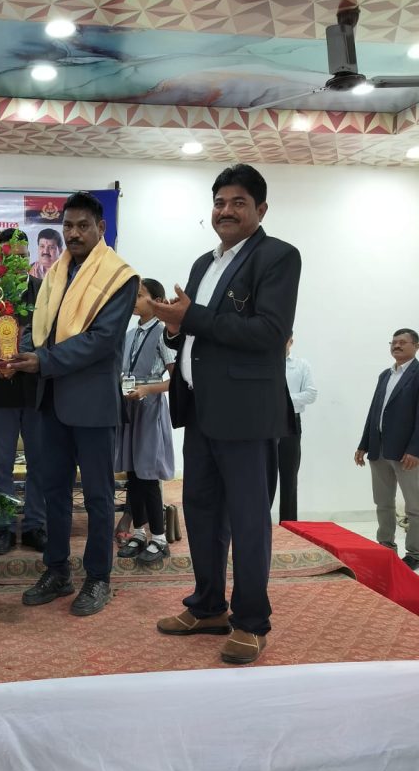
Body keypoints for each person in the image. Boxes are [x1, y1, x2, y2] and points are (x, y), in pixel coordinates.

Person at [152, 164, 301, 665]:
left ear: (261, 209)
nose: (226, 211)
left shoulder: (278, 256)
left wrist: (190, 317)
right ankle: (208, 606)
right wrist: (174, 328)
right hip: (202, 411)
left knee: (248, 520)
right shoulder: (203, 263)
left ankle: (252, 622)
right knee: (201, 511)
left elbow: (268, 332)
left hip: (247, 415)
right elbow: (199, 333)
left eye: (238, 202)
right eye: (219, 202)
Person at [8, 191, 137, 616]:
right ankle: (57, 570)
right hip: (50, 400)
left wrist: (41, 361)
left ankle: (98, 577)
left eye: (83, 226)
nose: (74, 233)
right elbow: (39, 329)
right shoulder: (56, 273)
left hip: (92, 404)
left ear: (101, 228)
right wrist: (19, 355)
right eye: (68, 226)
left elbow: (102, 341)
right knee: (54, 492)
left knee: (98, 497)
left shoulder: (120, 278)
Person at [0, 228, 46, 556]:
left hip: (36, 390)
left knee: (40, 462)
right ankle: (4, 527)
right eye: (11, 256)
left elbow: (53, 337)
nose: (19, 262)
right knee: (1, 464)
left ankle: (35, 525)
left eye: (23, 255)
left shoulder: (44, 291)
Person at [115, 279, 176, 563]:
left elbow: (176, 380)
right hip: (130, 408)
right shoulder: (129, 334)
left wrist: (147, 390)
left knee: (148, 475)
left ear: (157, 301)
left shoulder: (164, 334)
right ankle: (139, 532)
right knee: (133, 475)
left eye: (139, 296)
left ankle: (159, 538)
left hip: (149, 408)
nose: (134, 301)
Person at [355, 328, 419, 570]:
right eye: (393, 342)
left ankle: (415, 553)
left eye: (403, 342)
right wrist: (363, 444)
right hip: (378, 448)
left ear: (416, 346)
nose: (397, 346)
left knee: (415, 506)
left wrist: (415, 449)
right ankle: (385, 546)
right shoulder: (385, 375)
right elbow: (374, 411)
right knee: (383, 502)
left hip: (406, 453)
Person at [278, 334, 317, 521]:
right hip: (263, 424)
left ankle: (288, 524)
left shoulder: (301, 365)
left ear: (291, 341)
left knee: (289, 475)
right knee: (261, 476)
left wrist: (282, 400)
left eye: (284, 339)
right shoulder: (263, 363)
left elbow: (311, 394)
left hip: (290, 422)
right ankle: (260, 524)